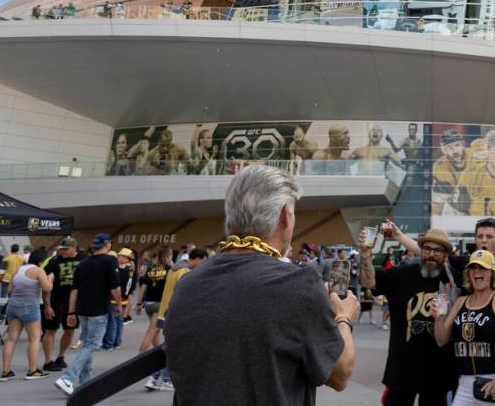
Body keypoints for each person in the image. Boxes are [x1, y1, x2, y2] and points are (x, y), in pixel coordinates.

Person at [165, 166, 357, 405]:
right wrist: (343, 317)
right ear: (285, 215)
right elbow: (340, 374)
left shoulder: (187, 284)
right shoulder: (299, 285)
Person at [359, 227, 459, 405]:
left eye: (437, 250)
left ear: (445, 255)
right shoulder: (402, 275)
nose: (431, 254)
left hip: (438, 373)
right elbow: (369, 282)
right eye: (427, 249)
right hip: (401, 371)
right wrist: (366, 253)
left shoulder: (453, 280)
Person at [432, 250, 495, 406]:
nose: (477, 272)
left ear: (491, 273)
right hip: (465, 383)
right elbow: (441, 340)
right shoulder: (460, 302)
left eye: (482, 268)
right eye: (473, 268)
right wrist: (438, 318)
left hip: (494, 382)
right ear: (468, 273)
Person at [54, 233, 122, 396]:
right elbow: (115, 286)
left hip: (82, 310)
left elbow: (74, 291)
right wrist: (119, 304)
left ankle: (85, 384)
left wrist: (72, 311)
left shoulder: (83, 263)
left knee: (87, 345)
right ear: (107, 244)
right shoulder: (110, 261)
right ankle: (68, 378)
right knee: (91, 345)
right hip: (99, 309)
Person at [144, 247, 208, 391]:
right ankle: (164, 380)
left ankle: (154, 378)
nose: (203, 265)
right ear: (196, 259)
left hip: (165, 312)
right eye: (203, 261)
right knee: (173, 351)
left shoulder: (174, 269)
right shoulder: (185, 273)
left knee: (169, 349)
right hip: (177, 316)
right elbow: (187, 296)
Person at [0, 248, 53, 380]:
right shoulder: (39, 270)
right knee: (35, 338)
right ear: (41, 260)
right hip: (30, 306)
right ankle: (32, 370)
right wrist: (50, 278)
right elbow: (47, 288)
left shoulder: (19, 269)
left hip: (13, 306)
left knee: (11, 339)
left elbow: (10, 290)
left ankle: (5, 372)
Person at [42, 237, 84, 372]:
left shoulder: (84, 260)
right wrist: (47, 305)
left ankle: (61, 356)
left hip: (75, 302)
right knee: (51, 329)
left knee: (70, 329)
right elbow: (47, 284)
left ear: (74, 248)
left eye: (66, 249)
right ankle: (48, 361)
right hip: (56, 301)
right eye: (62, 249)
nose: (63, 252)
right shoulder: (54, 262)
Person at [136, 247, 171, 354]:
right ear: (168, 256)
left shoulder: (150, 269)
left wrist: (139, 303)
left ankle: (159, 358)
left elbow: (143, 287)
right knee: (151, 331)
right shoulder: (169, 269)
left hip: (148, 304)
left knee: (156, 331)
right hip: (161, 304)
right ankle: (139, 358)